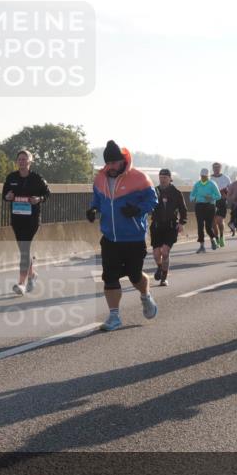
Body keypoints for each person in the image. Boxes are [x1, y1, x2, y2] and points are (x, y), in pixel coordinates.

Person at [86, 140, 158, 331]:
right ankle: (114, 316)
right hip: (110, 237)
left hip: (133, 238)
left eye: (114, 163)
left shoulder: (139, 178)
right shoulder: (100, 178)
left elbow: (153, 201)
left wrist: (137, 209)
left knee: (135, 276)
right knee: (109, 277)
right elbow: (97, 198)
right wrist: (93, 209)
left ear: (122, 161)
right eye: (108, 163)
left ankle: (145, 296)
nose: (110, 167)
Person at [2, 150, 50, 295]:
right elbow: (4, 195)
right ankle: (33, 274)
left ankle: (21, 283)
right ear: (17, 162)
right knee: (24, 250)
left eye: (24, 159)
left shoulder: (37, 178)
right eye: (19, 159)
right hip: (17, 219)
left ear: (30, 161)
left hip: (32, 219)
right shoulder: (11, 177)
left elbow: (47, 194)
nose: (22, 161)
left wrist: (39, 199)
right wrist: (8, 196)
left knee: (24, 250)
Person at [150, 168, 187, 286]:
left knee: (165, 252)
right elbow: (147, 205)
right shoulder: (154, 191)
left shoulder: (176, 192)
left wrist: (181, 223)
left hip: (171, 226)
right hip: (156, 226)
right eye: (161, 177)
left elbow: (183, 209)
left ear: (170, 178)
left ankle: (164, 278)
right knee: (156, 254)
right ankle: (160, 268)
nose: (162, 180)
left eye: (165, 178)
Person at [189, 168, 221, 253]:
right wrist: (193, 198)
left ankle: (213, 239)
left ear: (208, 176)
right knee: (200, 225)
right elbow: (191, 195)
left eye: (205, 176)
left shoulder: (212, 184)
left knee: (208, 226)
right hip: (199, 205)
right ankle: (202, 246)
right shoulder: (197, 184)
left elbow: (218, 196)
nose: (203, 178)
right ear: (200, 176)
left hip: (210, 206)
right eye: (202, 176)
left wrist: (211, 197)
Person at [209, 162, 230, 247]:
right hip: (211, 202)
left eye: (218, 168)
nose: (216, 169)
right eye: (214, 168)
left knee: (220, 221)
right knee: (213, 223)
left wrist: (226, 194)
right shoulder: (209, 178)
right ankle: (216, 238)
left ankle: (221, 236)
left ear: (220, 168)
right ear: (212, 169)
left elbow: (230, 190)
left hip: (221, 201)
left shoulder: (226, 178)